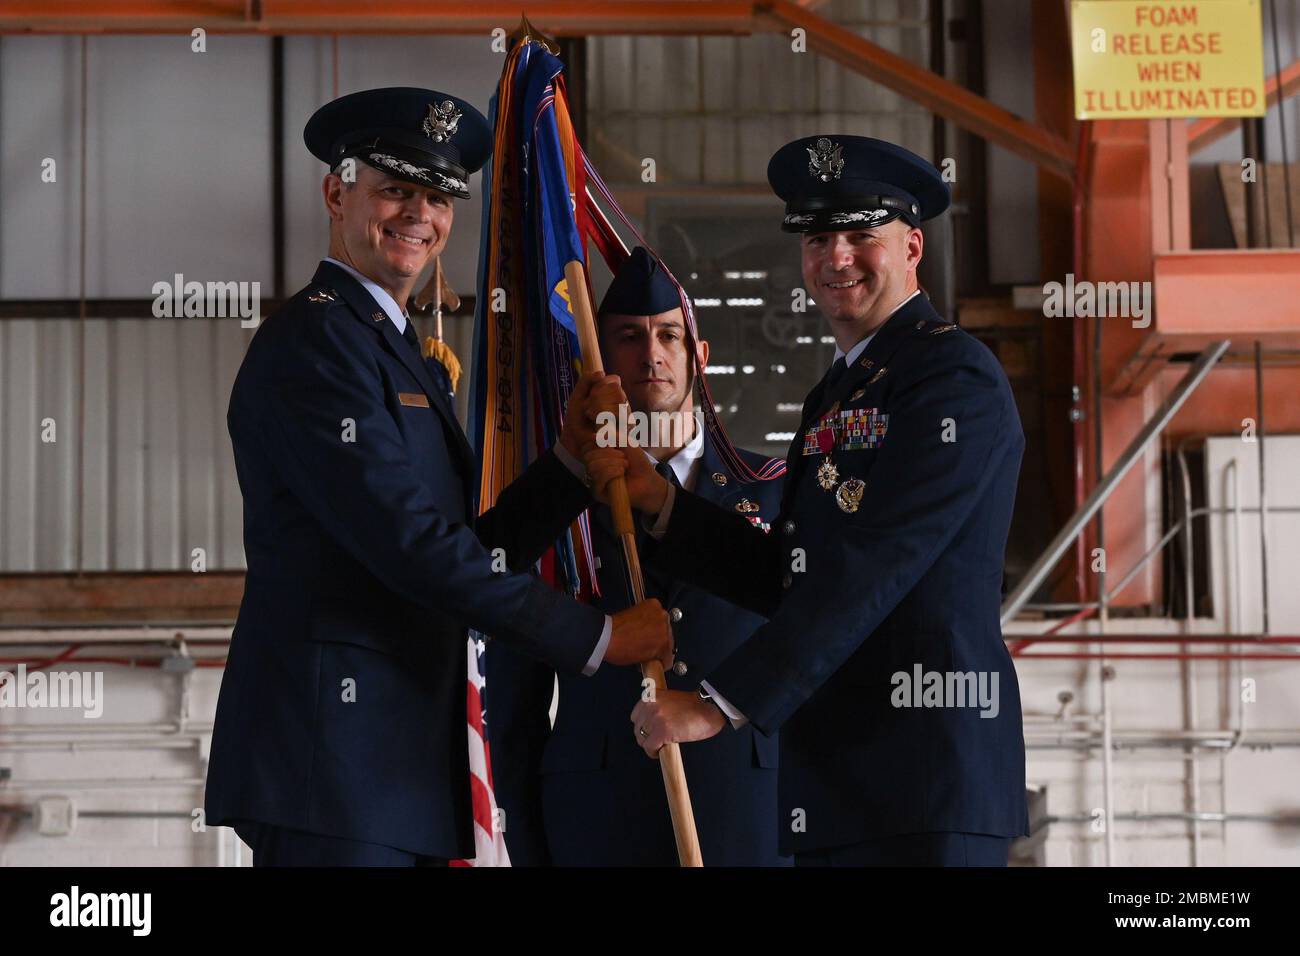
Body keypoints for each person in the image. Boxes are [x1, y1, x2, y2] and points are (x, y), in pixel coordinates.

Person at [205, 88, 671, 867]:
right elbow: (412, 548)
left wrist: (565, 466)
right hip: (336, 768)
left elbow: (464, 546)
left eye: (439, 196)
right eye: (394, 189)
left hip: (396, 769)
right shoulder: (316, 343)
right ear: (336, 191)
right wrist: (597, 638)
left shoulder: (396, 347)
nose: (419, 214)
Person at [587, 135, 1029, 867]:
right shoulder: (841, 389)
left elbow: (876, 564)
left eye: (863, 235)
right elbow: (792, 575)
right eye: (819, 237)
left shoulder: (953, 377)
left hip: (923, 781)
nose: (837, 257)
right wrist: (663, 505)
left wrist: (718, 702)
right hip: (837, 783)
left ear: (913, 245)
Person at [488, 248, 789, 866]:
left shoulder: (776, 488)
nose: (651, 353)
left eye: (669, 335)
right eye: (627, 337)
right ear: (597, 364)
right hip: (595, 825)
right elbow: (513, 713)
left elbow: (820, 653)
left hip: (751, 817)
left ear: (699, 358)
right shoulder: (554, 501)